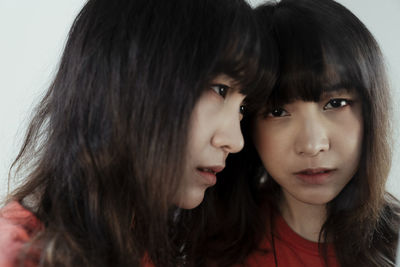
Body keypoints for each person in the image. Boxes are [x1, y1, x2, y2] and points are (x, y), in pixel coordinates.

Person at [0, 0, 275, 266]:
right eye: (220, 90)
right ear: (133, 80)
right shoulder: (18, 254)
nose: (235, 141)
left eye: (243, 107)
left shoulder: (138, 240)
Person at [185, 0, 400, 266]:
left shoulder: (394, 245)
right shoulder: (209, 244)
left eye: (336, 104)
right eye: (277, 112)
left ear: (372, 109)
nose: (312, 145)